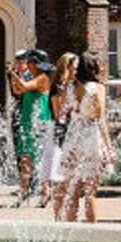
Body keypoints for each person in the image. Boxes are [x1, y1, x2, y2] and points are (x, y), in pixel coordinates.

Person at [53, 54, 114, 223]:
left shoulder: (70, 87)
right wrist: (109, 148)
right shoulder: (97, 88)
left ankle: (70, 228)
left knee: (73, 190)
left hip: (73, 136)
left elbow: (62, 113)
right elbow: (100, 117)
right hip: (90, 135)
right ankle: (92, 233)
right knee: (90, 191)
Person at [8, 49, 53, 205]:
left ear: (33, 64)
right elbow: (17, 90)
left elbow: (25, 87)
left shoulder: (43, 78)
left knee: (40, 160)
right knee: (25, 160)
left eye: (29, 62)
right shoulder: (28, 76)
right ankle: (23, 193)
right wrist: (14, 76)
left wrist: (13, 74)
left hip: (40, 122)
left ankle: (45, 192)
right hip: (27, 121)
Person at [35, 52, 80, 207]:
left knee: (54, 161)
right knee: (53, 160)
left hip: (63, 127)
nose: (76, 71)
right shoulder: (58, 87)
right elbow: (58, 113)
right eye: (74, 68)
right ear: (66, 68)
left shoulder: (72, 86)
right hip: (57, 128)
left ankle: (51, 193)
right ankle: (51, 193)